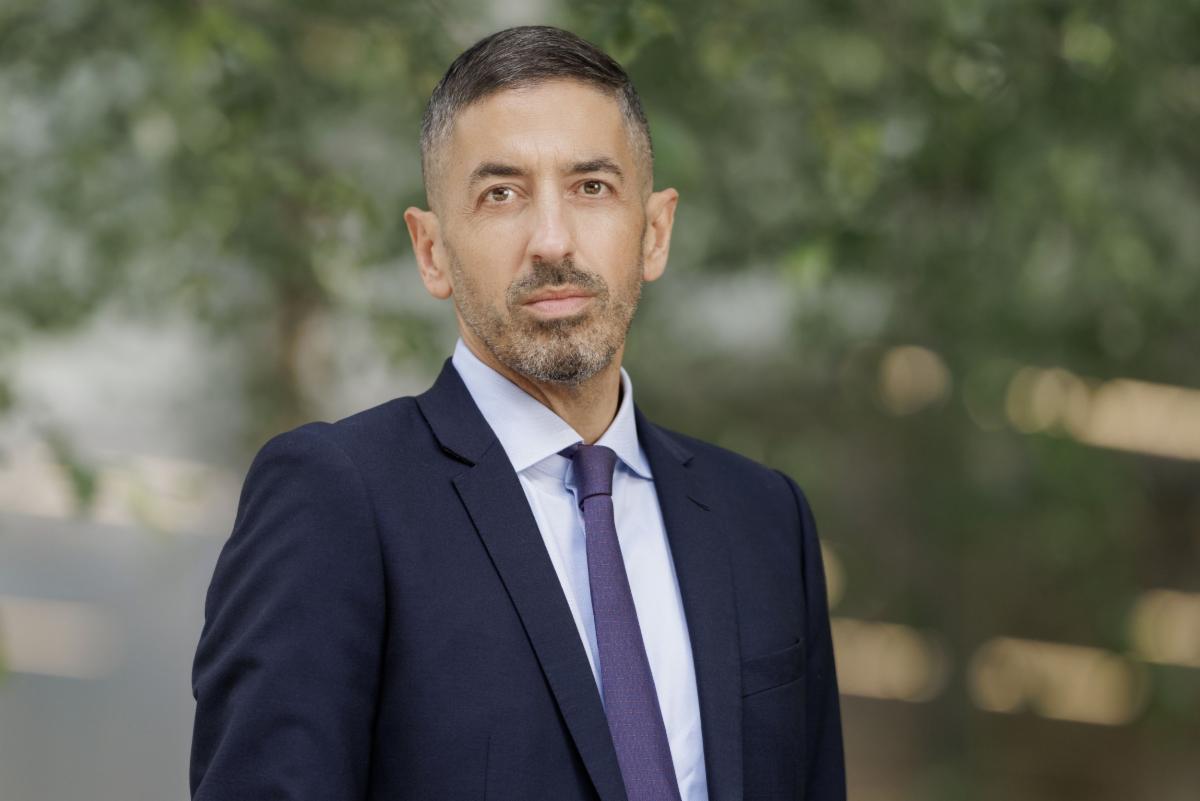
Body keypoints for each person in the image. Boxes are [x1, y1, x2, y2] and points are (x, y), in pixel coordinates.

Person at [190, 25, 845, 801]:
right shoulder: (335, 498)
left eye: (591, 187)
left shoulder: (764, 517)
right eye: (501, 194)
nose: (552, 240)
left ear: (656, 232)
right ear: (431, 250)